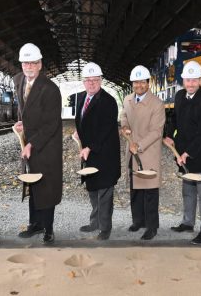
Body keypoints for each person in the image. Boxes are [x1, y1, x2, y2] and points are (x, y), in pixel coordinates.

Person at [13, 43, 62, 244]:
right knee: (32, 184)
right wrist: (22, 123)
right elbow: (26, 110)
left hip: (46, 145)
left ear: (40, 64)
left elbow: (52, 123)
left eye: (33, 63)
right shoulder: (18, 81)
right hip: (29, 143)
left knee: (46, 186)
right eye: (25, 63)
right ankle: (35, 224)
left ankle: (48, 229)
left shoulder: (50, 89)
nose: (29, 67)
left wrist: (32, 143)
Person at [164, 60, 201, 245]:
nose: (191, 84)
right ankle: (188, 222)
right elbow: (174, 118)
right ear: (183, 80)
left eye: (194, 80)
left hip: (200, 156)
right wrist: (169, 135)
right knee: (188, 190)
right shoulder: (179, 96)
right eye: (188, 80)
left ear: (200, 80)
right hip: (182, 154)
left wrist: (188, 153)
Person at [74, 62, 121, 240]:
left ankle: (105, 228)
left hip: (105, 155)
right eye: (88, 80)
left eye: (95, 80)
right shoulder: (81, 98)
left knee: (105, 192)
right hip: (90, 155)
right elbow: (82, 121)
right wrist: (78, 131)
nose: (91, 83)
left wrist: (89, 147)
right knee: (92, 189)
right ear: (83, 82)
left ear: (101, 80)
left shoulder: (108, 102)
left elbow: (106, 130)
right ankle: (95, 222)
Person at [120, 65, 165, 240]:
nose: (139, 85)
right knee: (135, 189)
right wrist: (124, 126)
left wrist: (138, 145)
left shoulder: (157, 104)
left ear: (148, 83)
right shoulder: (128, 99)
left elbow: (156, 132)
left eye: (142, 82)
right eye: (136, 82)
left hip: (147, 151)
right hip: (131, 151)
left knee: (150, 190)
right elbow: (124, 115)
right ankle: (138, 220)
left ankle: (152, 226)